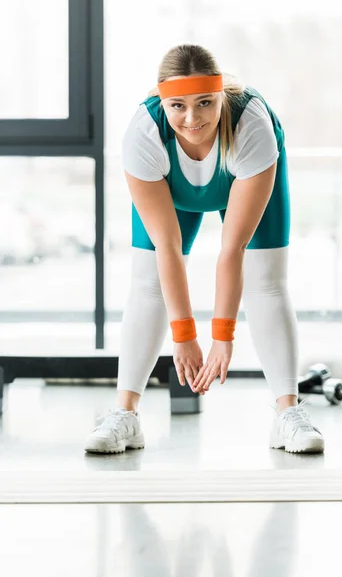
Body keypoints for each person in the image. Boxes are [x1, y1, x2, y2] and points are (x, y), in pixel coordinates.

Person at [84, 44, 325, 455]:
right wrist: (184, 335)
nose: (192, 119)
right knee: (147, 283)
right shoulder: (143, 134)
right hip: (171, 189)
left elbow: (231, 251)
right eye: (177, 106)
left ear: (220, 97)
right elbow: (168, 247)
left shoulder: (252, 126)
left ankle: (288, 413)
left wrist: (222, 336)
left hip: (242, 174)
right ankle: (126, 414)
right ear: (162, 102)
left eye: (205, 103)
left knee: (267, 281)